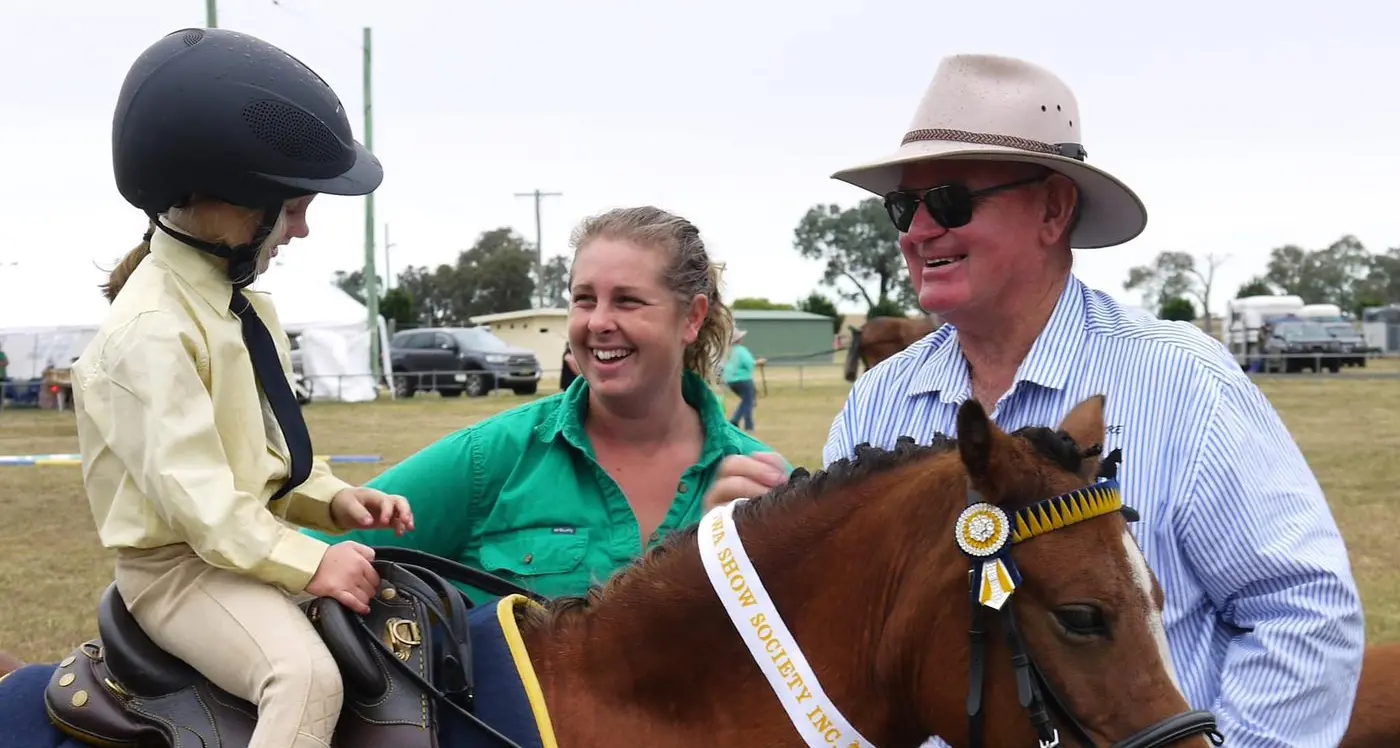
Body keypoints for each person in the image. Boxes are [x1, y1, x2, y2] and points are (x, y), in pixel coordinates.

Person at [820, 54, 1363, 748]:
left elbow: (1304, 611)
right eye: (904, 206)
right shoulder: (879, 404)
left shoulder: (1182, 382)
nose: (918, 230)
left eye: (950, 200)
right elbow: (846, 648)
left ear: (1053, 209)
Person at [70, 28, 413, 748]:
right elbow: (202, 507)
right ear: (227, 201)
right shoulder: (150, 332)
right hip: (178, 574)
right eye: (292, 208)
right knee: (304, 679)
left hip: (245, 544)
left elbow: (268, 453)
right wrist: (313, 558)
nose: (304, 229)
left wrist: (334, 498)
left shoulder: (248, 309)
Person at [304, 206, 792, 602]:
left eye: (627, 301)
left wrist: (746, 554)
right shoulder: (489, 459)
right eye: (584, 299)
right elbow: (321, 553)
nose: (598, 321)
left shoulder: (759, 492)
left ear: (692, 318)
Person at [720, 328, 764, 431]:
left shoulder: (727, 352)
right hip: (743, 379)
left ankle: (749, 426)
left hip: (730, 380)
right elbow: (748, 363)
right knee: (748, 402)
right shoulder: (741, 350)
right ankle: (735, 421)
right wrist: (759, 362)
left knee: (747, 401)